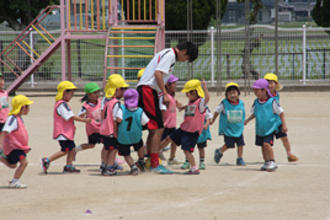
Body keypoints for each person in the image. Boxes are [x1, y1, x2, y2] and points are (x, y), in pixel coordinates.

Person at [136, 41, 198, 174]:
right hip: (148, 91)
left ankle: (146, 160)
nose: (184, 60)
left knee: (153, 128)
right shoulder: (170, 55)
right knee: (158, 128)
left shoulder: (167, 54)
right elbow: (158, 74)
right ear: (183, 51)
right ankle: (154, 163)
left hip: (148, 90)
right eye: (186, 58)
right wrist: (165, 93)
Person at [160, 79, 209, 175]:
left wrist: (205, 88)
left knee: (187, 150)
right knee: (169, 138)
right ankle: (155, 153)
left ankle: (194, 168)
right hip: (183, 129)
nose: (187, 95)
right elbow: (190, 107)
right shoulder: (191, 102)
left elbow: (207, 99)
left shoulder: (200, 103)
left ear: (196, 92)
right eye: (187, 93)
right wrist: (182, 107)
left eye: (189, 92)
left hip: (191, 132)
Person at [41, 81, 91, 174]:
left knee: (71, 148)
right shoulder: (61, 104)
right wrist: (84, 120)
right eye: (70, 92)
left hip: (66, 132)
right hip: (62, 132)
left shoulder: (63, 103)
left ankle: (69, 165)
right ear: (64, 92)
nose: (72, 95)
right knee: (65, 150)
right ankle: (47, 160)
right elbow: (70, 116)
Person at [245, 79, 286, 171]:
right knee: (262, 146)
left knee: (267, 144)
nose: (255, 92)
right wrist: (247, 120)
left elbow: (281, 113)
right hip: (260, 129)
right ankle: (266, 161)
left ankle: (272, 161)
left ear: (264, 90)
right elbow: (254, 113)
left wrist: (284, 125)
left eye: (257, 90)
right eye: (254, 90)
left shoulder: (272, 101)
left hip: (270, 128)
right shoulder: (256, 102)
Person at [264, 73, 298, 162]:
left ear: (276, 84)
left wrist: (283, 124)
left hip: (277, 121)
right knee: (267, 142)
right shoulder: (263, 95)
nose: (270, 85)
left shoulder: (276, 94)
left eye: (272, 83)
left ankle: (289, 154)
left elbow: (279, 110)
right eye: (267, 83)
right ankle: (269, 158)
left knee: (285, 138)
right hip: (268, 123)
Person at [0, 95, 33, 188]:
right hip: (14, 147)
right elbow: (5, 131)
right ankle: (15, 181)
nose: (28, 109)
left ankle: (1, 158)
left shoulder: (18, 118)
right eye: (27, 106)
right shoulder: (13, 119)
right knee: (24, 163)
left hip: (17, 146)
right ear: (22, 107)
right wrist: (0, 144)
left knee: (12, 165)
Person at [116, 88, 149, 175]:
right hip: (136, 135)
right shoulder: (140, 110)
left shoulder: (121, 109)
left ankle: (133, 167)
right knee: (139, 146)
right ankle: (141, 160)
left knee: (126, 154)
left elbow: (118, 120)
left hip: (123, 136)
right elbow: (145, 122)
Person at [212, 82, 246, 166]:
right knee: (229, 144)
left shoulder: (241, 103)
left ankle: (240, 158)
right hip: (228, 129)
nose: (233, 95)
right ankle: (219, 151)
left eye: (234, 92)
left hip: (238, 129)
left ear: (238, 93)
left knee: (240, 144)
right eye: (230, 93)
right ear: (226, 95)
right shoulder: (224, 104)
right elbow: (217, 111)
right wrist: (213, 120)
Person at [100, 74, 128, 176]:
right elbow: (118, 119)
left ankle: (104, 165)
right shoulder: (116, 103)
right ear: (116, 89)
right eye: (122, 89)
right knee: (113, 149)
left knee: (106, 148)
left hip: (103, 129)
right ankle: (109, 168)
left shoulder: (105, 100)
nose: (124, 91)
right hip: (112, 130)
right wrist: (116, 131)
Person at [75, 82, 105, 166]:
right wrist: (85, 119)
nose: (97, 94)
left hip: (102, 128)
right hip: (92, 130)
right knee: (91, 145)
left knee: (107, 144)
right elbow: (79, 116)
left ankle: (105, 162)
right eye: (95, 93)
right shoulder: (86, 106)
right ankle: (76, 149)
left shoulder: (100, 102)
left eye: (98, 92)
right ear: (89, 94)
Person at [159, 74, 184, 165]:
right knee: (165, 141)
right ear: (167, 85)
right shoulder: (164, 97)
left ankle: (172, 158)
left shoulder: (171, 96)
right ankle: (155, 153)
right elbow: (162, 110)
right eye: (174, 83)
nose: (175, 85)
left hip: (172, 124)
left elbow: (177, 106)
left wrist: (182, 106)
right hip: (166, 125)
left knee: (174, 140)